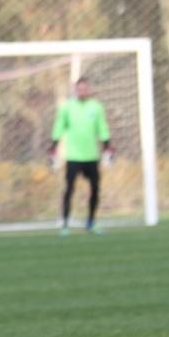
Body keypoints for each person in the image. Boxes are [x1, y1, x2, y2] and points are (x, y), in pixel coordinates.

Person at [49, 77, 112, 237]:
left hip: (91, 155)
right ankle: (65, 223)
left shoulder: (96, 107)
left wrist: (107, 145)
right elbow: (59, 126)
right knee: (69, 189)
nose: (82, 92)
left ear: (88, 90)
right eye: (80, 89)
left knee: (95, 188)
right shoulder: (67, 107)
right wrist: (53, 146)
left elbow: (102, 127)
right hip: (73, 156)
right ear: (75, 90)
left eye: (85, 89)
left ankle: (91, 222)